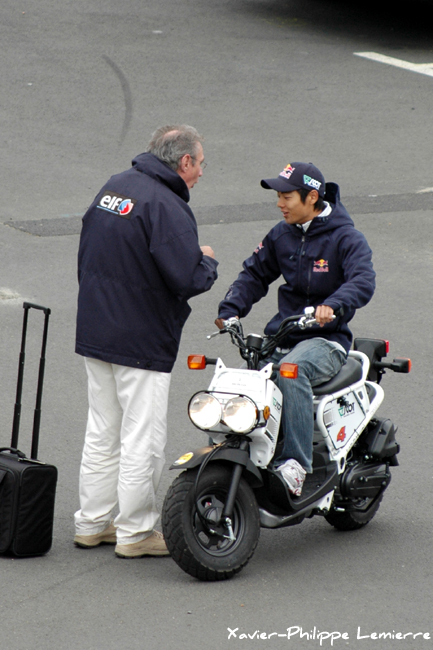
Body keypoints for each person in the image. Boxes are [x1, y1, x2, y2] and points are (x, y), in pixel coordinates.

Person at [74, 125, 218, 557]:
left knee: (102, 431)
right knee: (142, 437)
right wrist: (207, 261)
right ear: (185, 161)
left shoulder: (114, 187)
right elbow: (187, 277)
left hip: (96, 328)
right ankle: (135, 533)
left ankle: (91, 523)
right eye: (201, 163)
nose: (201, 172)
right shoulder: (166, 205)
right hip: (141, 339)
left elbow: (88, 251)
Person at [216, 162, 375, 496]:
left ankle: (297, 465)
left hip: (326, 340)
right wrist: (230, 309)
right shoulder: (281, 234)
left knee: (292, 371)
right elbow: (254, 274)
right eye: (278, 196)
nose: (279, 204)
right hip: (284, 334)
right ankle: (243, 448)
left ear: (312, 197)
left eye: (286, 197)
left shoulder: (346, 237)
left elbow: (362, 280)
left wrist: (333, 305)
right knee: (246, 379)